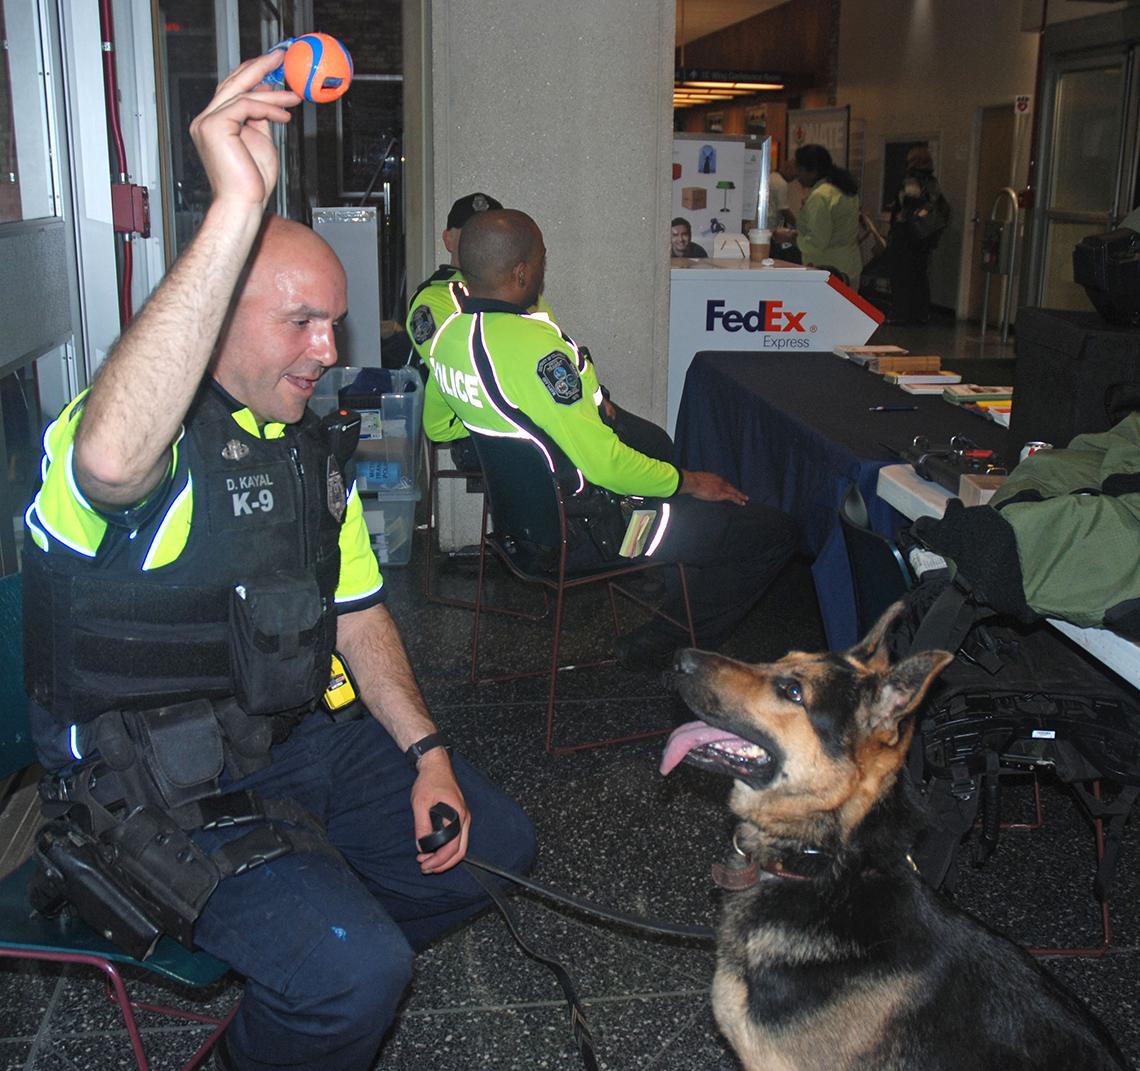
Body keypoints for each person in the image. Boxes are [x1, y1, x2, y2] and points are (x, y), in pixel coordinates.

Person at [21, 52, 535, 1071]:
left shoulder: (305, 447)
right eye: (298, 320)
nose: (327, 345)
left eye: (334, 319)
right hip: (153, 784)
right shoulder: (125, 437)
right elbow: (111, 462)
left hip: (287, 744)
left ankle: (303, 987)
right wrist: (234, 207)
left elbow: (357, 609)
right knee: (355, 972)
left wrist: (426, 748)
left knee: (494, 851)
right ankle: (309, 993)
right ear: (213, 317)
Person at [424, 208, 800, 671]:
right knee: (773, 532)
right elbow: (606, 467)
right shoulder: (537, 348)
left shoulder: (447, 339)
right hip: (600, 533)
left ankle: (675, 611)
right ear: (521, 271)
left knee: (683, 488)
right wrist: (687, 481)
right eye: (542, 256)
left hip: (519, 534)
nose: (545, 264)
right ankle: (667, 645)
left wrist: (510, 422)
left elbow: (439, 427)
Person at [414, 194, 674, 467]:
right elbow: (462, 370)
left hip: (547, 406)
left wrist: (593, 397)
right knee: (641, 453)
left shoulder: (520, 291)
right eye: (472, 230)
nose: (488, 242)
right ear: (448, 239)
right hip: (500, 426)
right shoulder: (433, 301)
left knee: (655, 442)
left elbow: (556, 350)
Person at [772, 144, 862, 285]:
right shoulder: (843, 188)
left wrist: (789, 237)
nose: (797, 176)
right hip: (848, 266)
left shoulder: (820, 196)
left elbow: (816, 242)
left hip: (829, 270)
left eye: (800, 170)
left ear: (812, 172)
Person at [885, 145, 951, 324]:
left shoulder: (911, 180)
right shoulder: (932, 182)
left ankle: (902, 313)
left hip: (907, 236)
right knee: (919, 276)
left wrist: (899, 217)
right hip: (924, 237)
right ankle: (920, 313)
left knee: (901, 276)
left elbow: (909, 202)